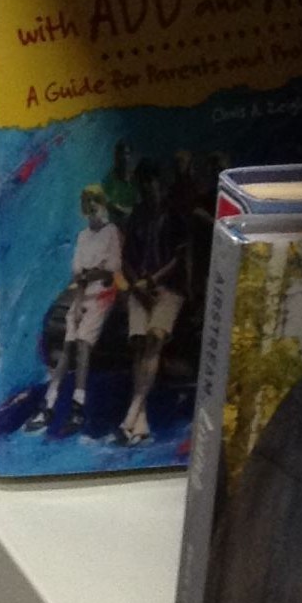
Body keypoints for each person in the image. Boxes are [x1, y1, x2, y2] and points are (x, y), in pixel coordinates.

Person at [29, 184, 123, 435]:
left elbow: (110, 269)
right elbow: (79, 272)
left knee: (82, 345)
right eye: (87, 201)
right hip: (82, 297)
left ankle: (77, 405)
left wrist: (90, 275)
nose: (92, 206)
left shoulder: (111, 232)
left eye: (95, 201)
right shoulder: (83, 236)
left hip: (102, 296)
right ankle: (48, 403)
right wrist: (79, 300)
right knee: (68, 346)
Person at [117, 160, 187, 445]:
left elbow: (177, 259)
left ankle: (134, 408)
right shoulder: (136, 217)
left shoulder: (173, 216)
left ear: (160, 183)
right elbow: (126, 258)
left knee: (155, 339)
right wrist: (137, 284)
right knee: (138, 344)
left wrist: (153, 282)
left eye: (152, 183)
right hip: (139, 289)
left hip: (167, 289)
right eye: (143, 185)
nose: (149, 190)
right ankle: (141, 419)